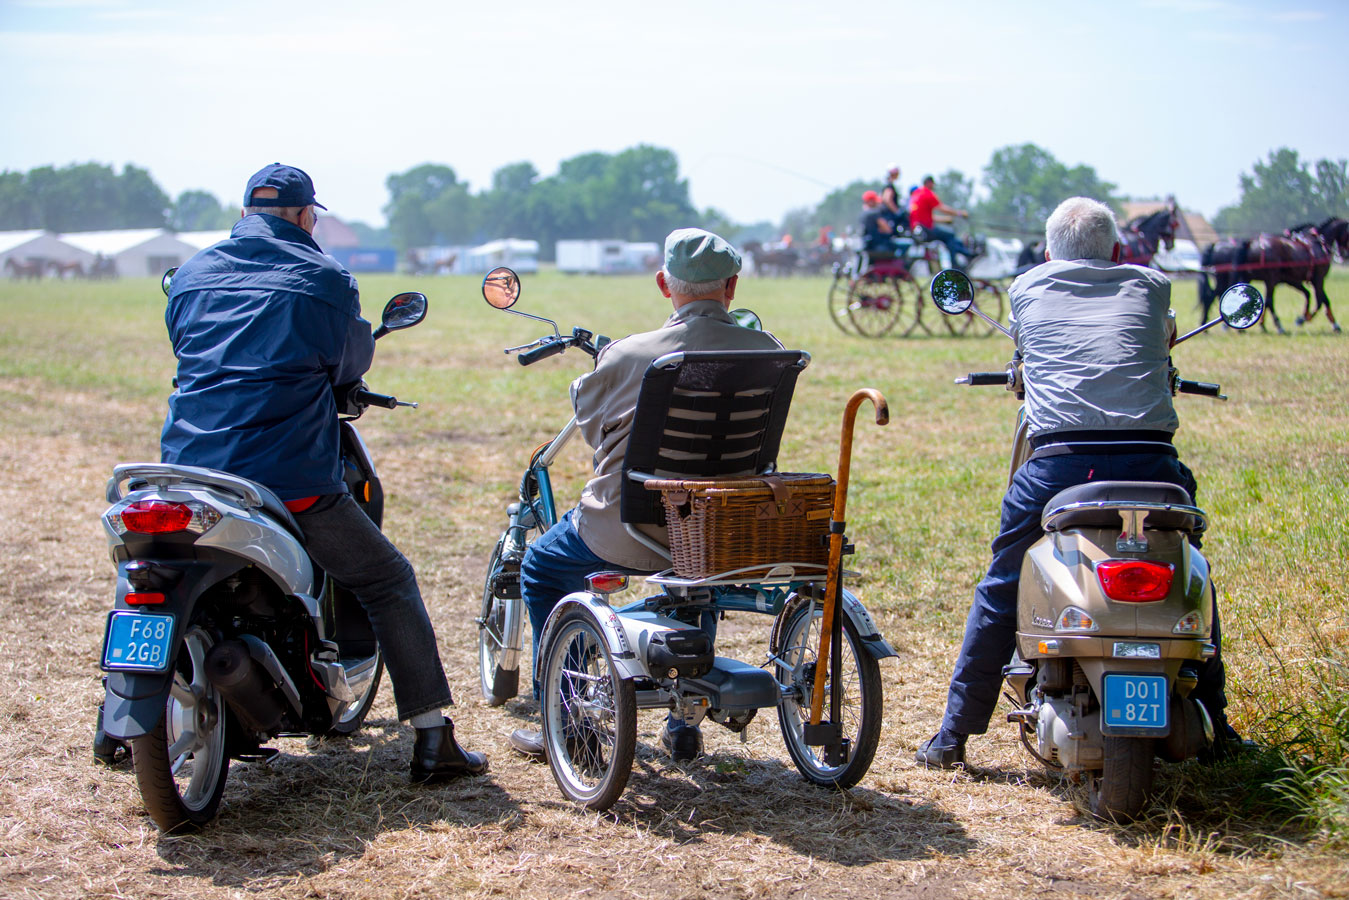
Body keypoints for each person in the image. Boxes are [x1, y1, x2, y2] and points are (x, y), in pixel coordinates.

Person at [161, 163, 487, 782]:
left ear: (246, 211)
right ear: (308, 216)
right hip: (288, 481)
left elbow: (184, 346)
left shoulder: (193, 272)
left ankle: (114, 726)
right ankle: (431, 738)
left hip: (187, 474)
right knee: (389, 579)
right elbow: (350, 361)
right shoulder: (323, 278)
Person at [916, 196, 1237, 768]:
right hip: (1152, 466)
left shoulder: (1027, 288)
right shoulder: (1151, 284)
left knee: (1002, 583)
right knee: (1193, 575)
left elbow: (1028, 348)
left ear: (1046, 254)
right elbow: (1161, 338)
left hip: (1061, 465)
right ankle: (1219, 724)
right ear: (1117, 251)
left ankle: (953, 736)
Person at [509, 228, 783, 762]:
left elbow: (591, 430)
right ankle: (685, 723)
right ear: (731, 287)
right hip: (716, 530)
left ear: (664, 284)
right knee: (693, 574)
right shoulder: (769, 351)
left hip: (629, 528)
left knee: (542, 567)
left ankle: (564, 717)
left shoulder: (629, 355)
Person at [909, 175, 977, 269]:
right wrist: (960, 213)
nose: (933, 186)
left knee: (949, 236)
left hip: (919, 230)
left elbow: (925, 217)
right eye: (933, 184)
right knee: (950, 235)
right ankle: (955, 264)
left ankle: (966, 254)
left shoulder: (916, 194)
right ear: (929, 183)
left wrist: (945, 220)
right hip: (926, 230)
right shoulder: (927, 193)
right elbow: (941, 208)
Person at [859, 190, 908, 260]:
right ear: (870, 201)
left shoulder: (864, 214)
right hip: (878, 245)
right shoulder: (874, 213)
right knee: (904, 245)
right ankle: (903, 266)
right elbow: (888, 229)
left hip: (869, 245)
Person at [880, 166, 909, 233]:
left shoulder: (888, 185)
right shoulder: (889, 186)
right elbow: (887, 199)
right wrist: (896, 211)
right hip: (889, 216)